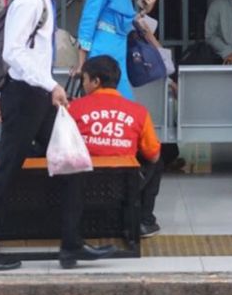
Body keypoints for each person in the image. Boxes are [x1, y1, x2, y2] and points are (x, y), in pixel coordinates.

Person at [0, 0, 114, 271]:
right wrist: (49, 86)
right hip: (28, 97)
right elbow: (13, 53)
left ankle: (71, 245)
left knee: (72, 162)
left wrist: (43, 89)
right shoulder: (30, 1)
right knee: (5, 174)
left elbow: (28, 55)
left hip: (36, 96)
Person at [69, 55, 163, 238]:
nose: (83, 84)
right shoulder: (139, 112)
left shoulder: (74, 109)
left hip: (83, 185)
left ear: (96, 81)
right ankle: (144, 221)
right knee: (157, 158)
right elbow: (153, 156)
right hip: (123, 186)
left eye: (84, 79)